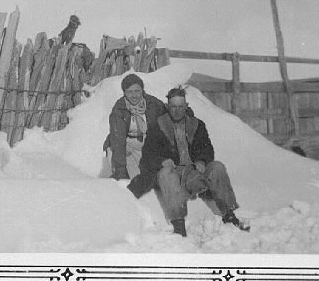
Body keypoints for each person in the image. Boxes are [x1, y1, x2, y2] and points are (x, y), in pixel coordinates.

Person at [127, 87, 249, 235]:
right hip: (172, 176)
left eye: (180, 106)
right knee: (166, 174)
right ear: (168, 106)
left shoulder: (197, 125)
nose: (177, 110)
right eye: (173, 107)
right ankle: (179, 226)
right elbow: (148, 156)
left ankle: (229, 214)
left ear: (186, 106)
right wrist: (162, 161)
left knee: (217, 167)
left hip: (192, 174)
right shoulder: (157, 126)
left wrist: (202, 161)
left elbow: (207, 150)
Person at [102, 74, 167, 180]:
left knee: (152, 176)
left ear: (142, 90)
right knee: (131, 179)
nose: (134, 95)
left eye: (137, 91)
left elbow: (168, 114)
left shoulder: (152, 103)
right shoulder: (119, 109)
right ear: (124, 93)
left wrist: (186, 112)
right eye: (130, 92)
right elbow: (118, 140)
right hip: (126, 145)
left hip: (146, 145)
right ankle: (119, 172)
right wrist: (120, 168)